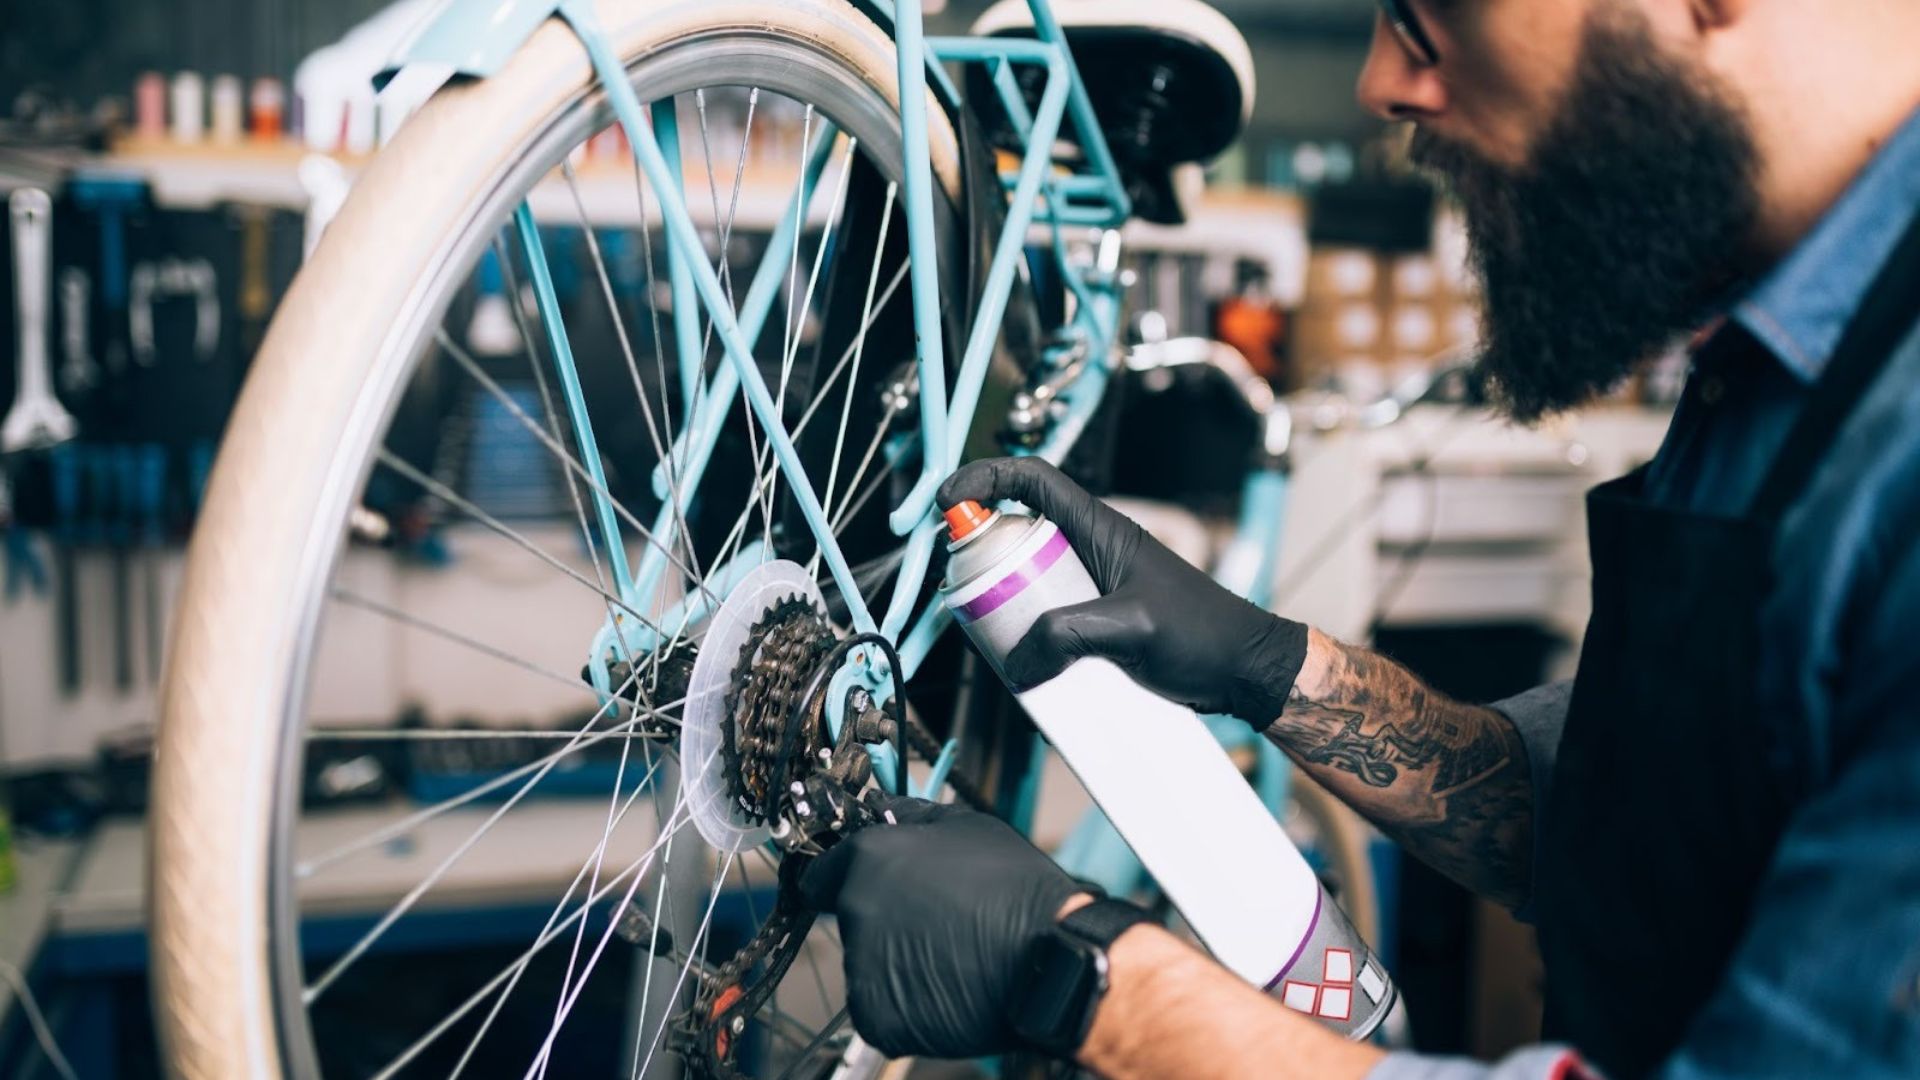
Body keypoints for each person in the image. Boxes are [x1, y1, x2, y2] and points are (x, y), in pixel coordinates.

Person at [798, 0, 1920, 1076]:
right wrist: (1273, 667)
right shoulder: (1776, 370)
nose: (1382, 80)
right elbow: (1614, 824)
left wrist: (1084, 977)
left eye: (1431, 9)